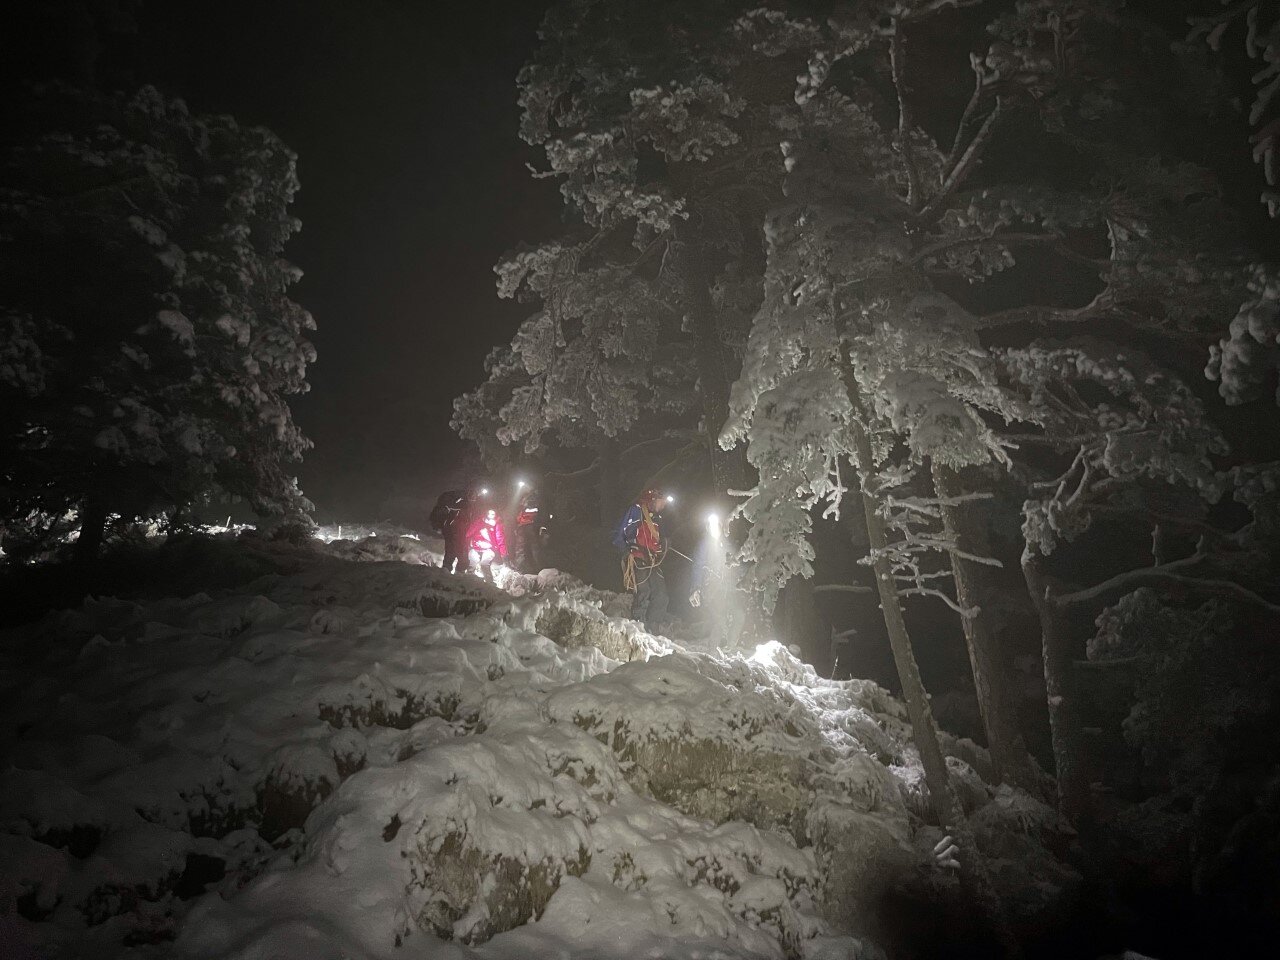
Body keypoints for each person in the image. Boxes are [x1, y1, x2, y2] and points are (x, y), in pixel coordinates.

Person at [613, 488, 669, 632]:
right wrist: (625, 551)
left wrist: (664, 544)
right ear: (654, 499)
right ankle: (639, 625)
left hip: (652, 560)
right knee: (644, 591)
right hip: (637, 557)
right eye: (662, 502)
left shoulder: (657, 518)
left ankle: (653, 626)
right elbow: (620, 532)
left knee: (661, 594)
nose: (663, 506)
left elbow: (658, 540)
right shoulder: (636, 510)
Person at [434, 486, 474, 574]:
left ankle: (448, 571)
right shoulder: (460, 500)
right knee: (457, 551)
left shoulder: (463, 501)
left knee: (453, 551)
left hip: (455, 530)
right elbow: (452, 508)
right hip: (455, 530)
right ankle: (455, 572)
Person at [466, 507, 508, 582]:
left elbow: (500, 538)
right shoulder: (479, 522)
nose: (490, 515)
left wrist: (503, 553)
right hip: (475, 547)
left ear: (496, 515)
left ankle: (489, 582)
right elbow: (468, 533)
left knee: (484, 564)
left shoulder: (497, 525)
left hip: (488, 549)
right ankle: (468, 581)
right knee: (472, 563)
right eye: (489, 513)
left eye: (493, 514)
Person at [513, 487, 544, 573]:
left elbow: (520, 513)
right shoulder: (535, 499)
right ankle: (538, 568)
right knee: (533, 547)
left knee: (522, 548)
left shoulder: (526, 499)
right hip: (531, 526)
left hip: (526, 526)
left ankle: (521, 568)